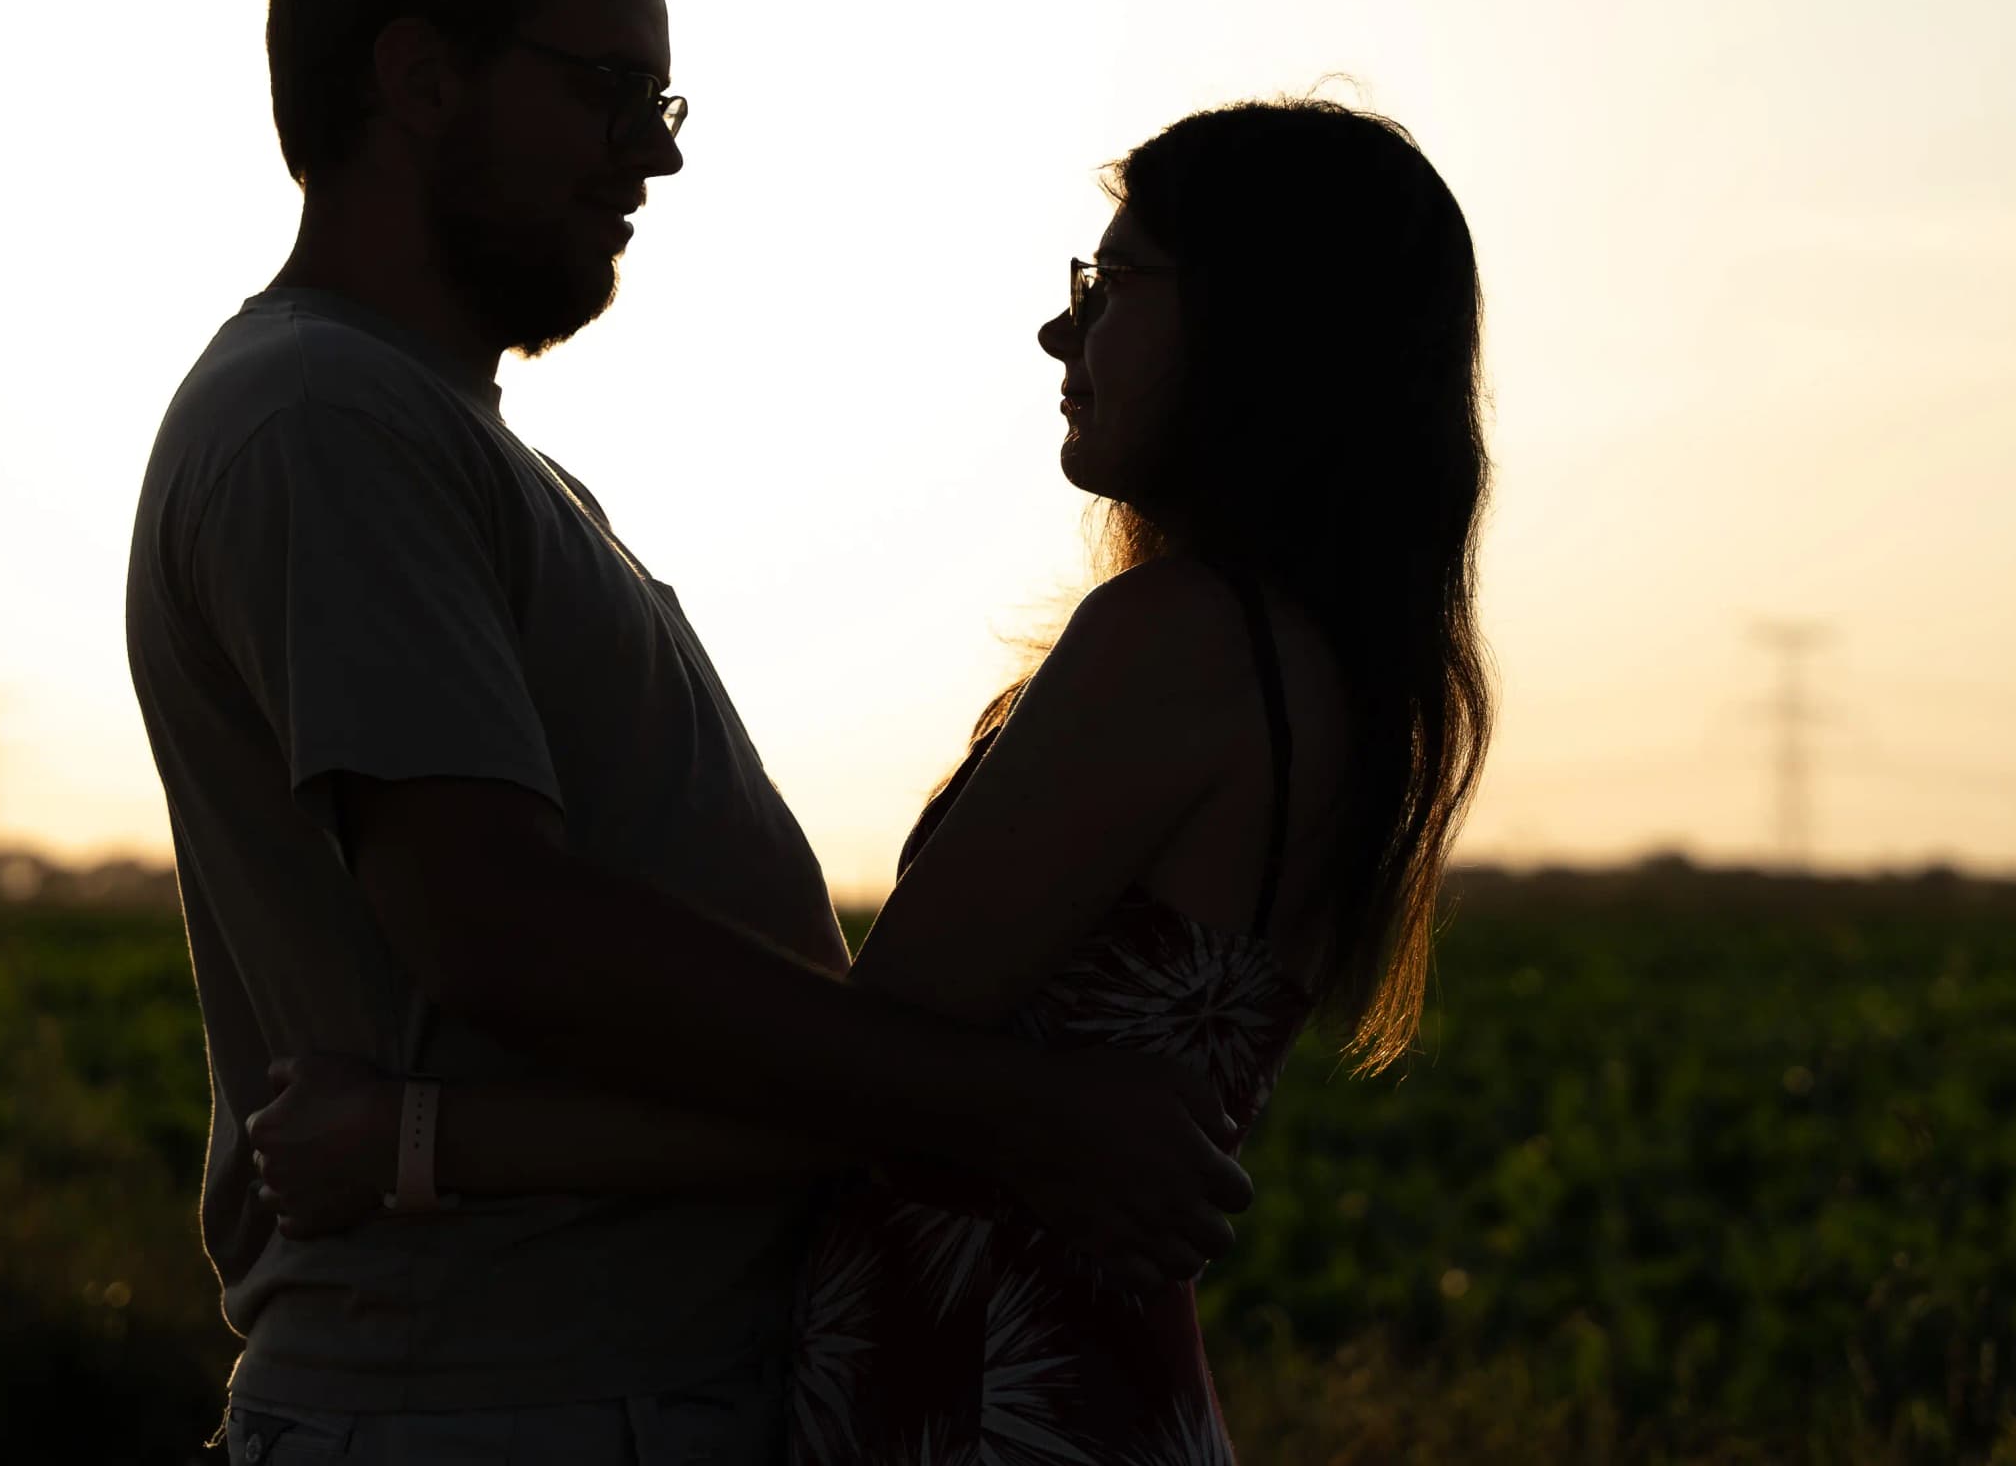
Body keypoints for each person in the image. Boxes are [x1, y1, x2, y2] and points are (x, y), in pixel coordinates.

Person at [124, 0, 1252, 1465]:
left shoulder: (442, 439)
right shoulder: (327, 418)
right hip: (507, 1407)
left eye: (656, 110)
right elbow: (500, 929)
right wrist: (1019, 1118)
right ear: (422, 79)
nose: (647, 161)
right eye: (605, 93)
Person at [247, 95, 1494, 1463]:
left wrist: (417, 1147)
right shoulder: (1323, 663)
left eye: (1116, 282)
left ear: (1265, 328)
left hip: (981, 1395)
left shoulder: (1178, 642)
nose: (1063, 330)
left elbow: (856, 1094)